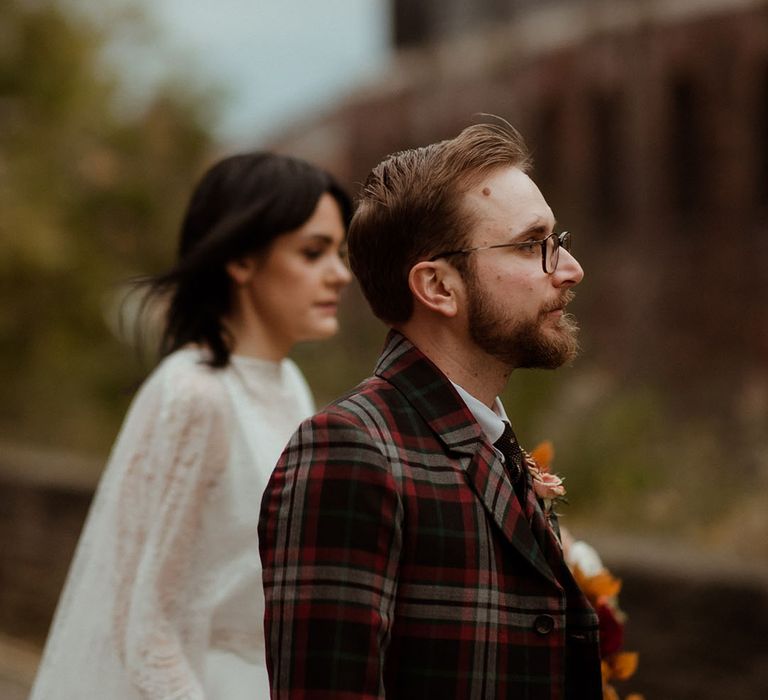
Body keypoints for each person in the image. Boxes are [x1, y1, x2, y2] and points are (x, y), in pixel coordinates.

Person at [259, 123, 603, 699]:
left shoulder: (490, 437)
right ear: (439, 286)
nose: (569, 268)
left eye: (558, 239)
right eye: (531, 244)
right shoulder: (350, 451)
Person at [30, 152, 352, 700]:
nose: (341, 274)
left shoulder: (290, 384)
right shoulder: (194, 394)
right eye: (313, 252)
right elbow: (145, 627)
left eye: (340, 253)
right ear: (242, 260)